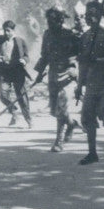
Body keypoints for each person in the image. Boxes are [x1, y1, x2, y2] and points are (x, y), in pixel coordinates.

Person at [75, 0, 104, 165]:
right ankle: (92, 153)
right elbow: (82, 64)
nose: (90, 19)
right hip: (91, 80)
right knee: (87, 115)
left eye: (93, 15)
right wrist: (79, 85)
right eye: (87, 16)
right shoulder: (84, 38)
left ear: (99, 17)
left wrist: (98, 60)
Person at [32, 8, 79, 151]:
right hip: (53, 74)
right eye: (48, 20)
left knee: (62, 108)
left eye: (52, 20)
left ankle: (59, 141)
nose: (49, 23)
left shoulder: (70, 34)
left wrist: (74, 67)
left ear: (60, 20)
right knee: (54, 111)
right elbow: (44, 55)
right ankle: (71, 124)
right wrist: (39, 73)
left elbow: (78, 54)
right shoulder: (47, 34)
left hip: (67, 75)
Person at [0, 20, 32, 128]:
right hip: (4, 72)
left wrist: (24, 61)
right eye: (4, 31)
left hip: (17, 71)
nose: (6, 33)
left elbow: (27, 56)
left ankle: (28, 119)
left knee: (22, 97)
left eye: (8, 31)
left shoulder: (20, 41)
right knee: (3, 96)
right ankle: (14, 112)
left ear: (13, 30)